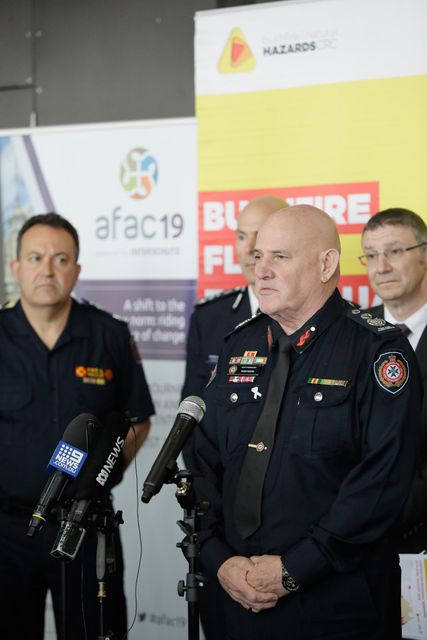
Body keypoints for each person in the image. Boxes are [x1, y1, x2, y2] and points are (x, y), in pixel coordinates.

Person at [193, 204, 421, 640]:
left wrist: (295, 569)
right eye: (258, 256)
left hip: (335, 603)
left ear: (326, 265)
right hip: (236, 596)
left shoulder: (377, 351)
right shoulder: (239, 345)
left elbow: (381, 482)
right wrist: (219, 559)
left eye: (279, 257)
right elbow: (202, 459)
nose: (261, 270)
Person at [0, 212, 155, 640]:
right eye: (35, 258)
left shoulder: (110, 335)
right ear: (16, 267)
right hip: (8, 533)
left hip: (87, 527)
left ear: (77, 269)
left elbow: (137, 420)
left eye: (61, 259)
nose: (47, 270)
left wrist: (100, 475)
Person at [180, 194, 286, 640]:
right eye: (243, 236)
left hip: (289, 534)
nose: (251, 249)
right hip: (223, 531)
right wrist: (218, 548)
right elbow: (192, 426)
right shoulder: (211, 318)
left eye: (262, 237)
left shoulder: (316, 323)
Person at [361, 207, 427, 552]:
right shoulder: (350, 334)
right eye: (371, 255)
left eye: (395, 251)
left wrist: (380, 515)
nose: (381, 267)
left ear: (424, 254)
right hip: (352, 542)